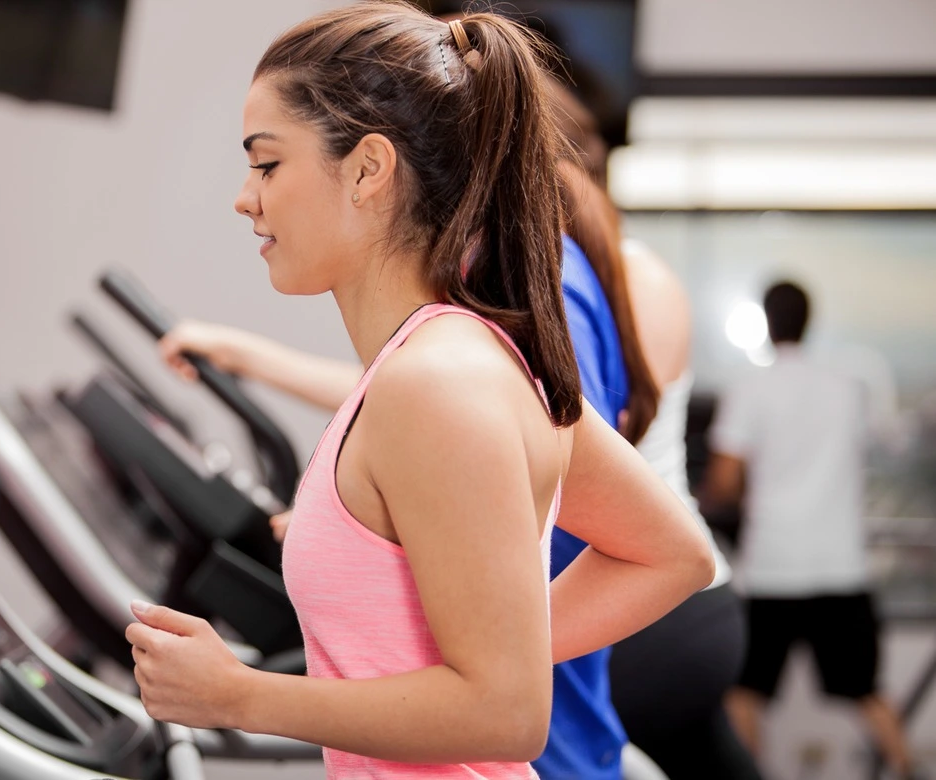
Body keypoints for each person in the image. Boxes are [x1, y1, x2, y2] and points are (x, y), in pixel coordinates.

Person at [122, 6, 714, 778]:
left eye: (267, 164)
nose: (246, 197)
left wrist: (238, 696)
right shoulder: (453, 360)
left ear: (368, 169)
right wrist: (502, 646)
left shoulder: (437, 383)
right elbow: (671, 551)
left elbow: (506, 715)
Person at [557, 162, 760, 780]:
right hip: (686, 604)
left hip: (654, 604)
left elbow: (559, 446)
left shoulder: (596, 281)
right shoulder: (612, 274)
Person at [705, 281, 919, 779]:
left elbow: (725, 483)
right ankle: (907, 770)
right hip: (840, 565)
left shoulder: (749, 388)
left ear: (767, 320)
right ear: (808, 319)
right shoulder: (847, 387)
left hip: (773, 567)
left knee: (745, 693)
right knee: (866, 690)